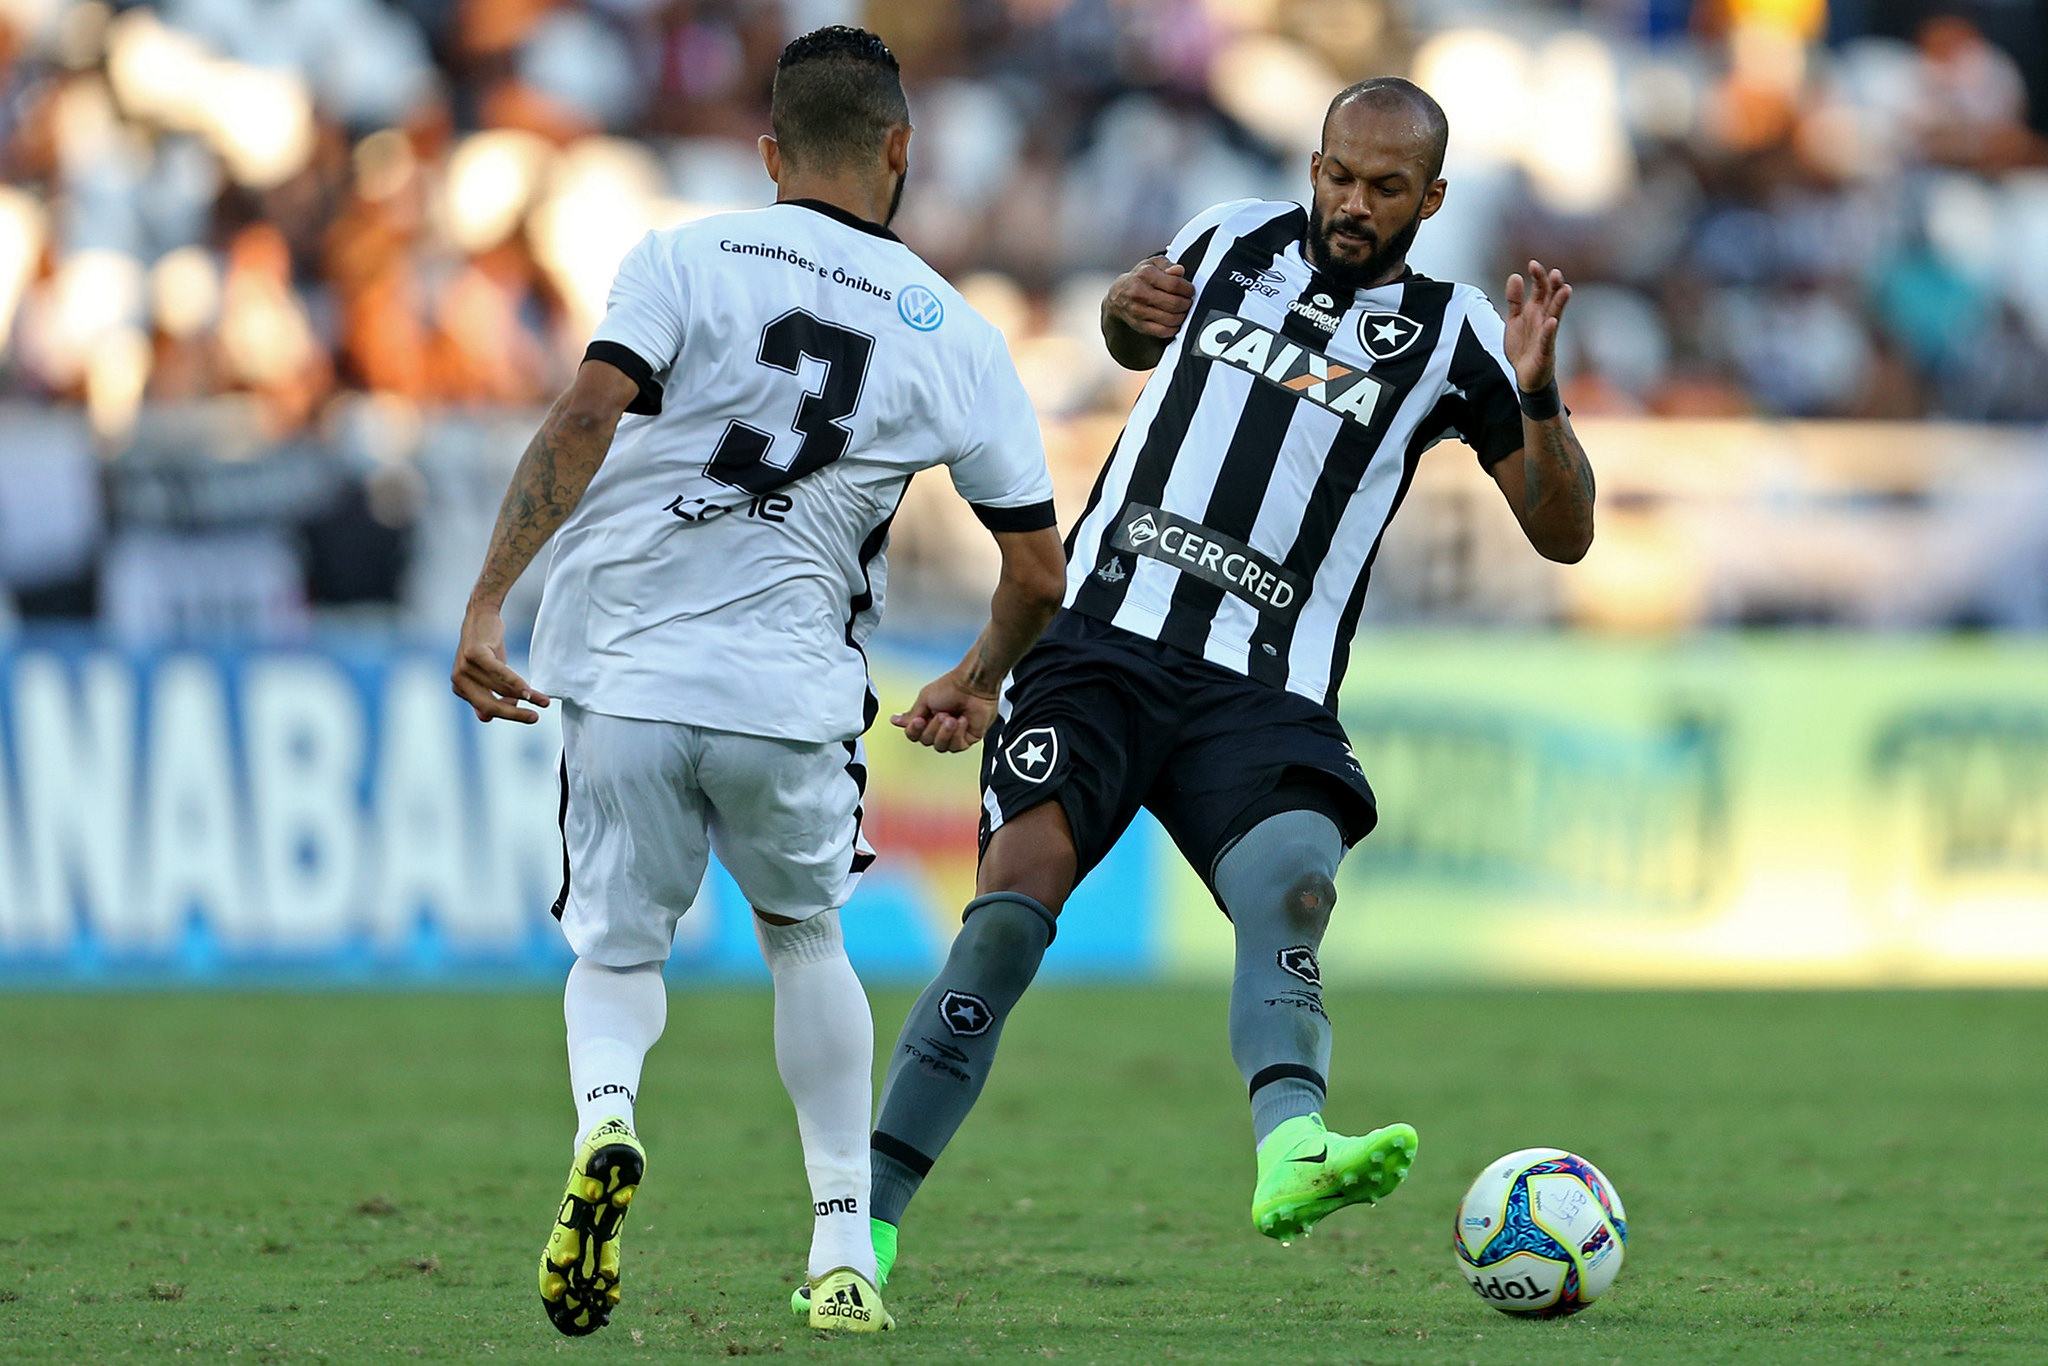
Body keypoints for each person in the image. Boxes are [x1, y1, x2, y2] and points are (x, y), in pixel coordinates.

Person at [844, 76, 1597, 1297]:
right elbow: (1134, 333)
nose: (1351, 205)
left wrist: (1535, 392)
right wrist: (1117, 308)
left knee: (1294, 884)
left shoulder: (1460, 335)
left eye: (1384, 189)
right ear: (1311, 162)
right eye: (1337, 175)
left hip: (1264, 685)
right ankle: (860, 1227)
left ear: (1433, 197)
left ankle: (1291, 1145)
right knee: (1008, 910)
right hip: (1095, 643)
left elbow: (1562, 535)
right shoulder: (1228, 234)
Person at [449, 26, 1066, 1337]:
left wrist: (490, 596)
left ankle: (609, 1118)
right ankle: (845, 1241)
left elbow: (581, 416)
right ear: (901, 150)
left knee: (617, 948)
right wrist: (976, 674)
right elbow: (1036, 570)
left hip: (621, 665)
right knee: (803, 937)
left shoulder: (681, 256)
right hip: (788, 691)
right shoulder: (954, 331)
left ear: (770, 152)